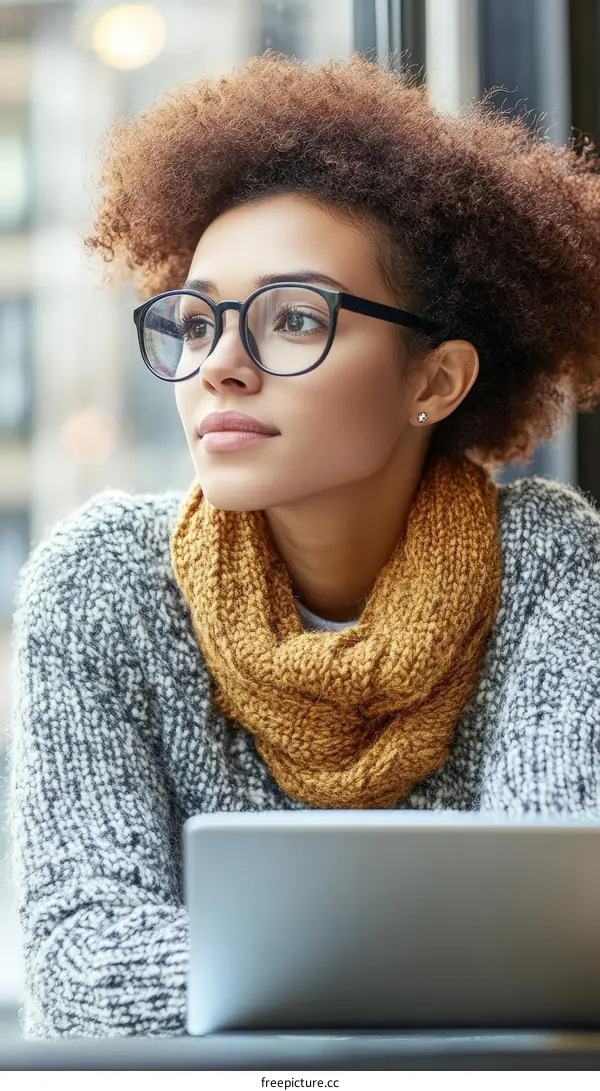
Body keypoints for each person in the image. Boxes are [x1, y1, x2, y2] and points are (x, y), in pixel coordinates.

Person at [7, 51, 600, 1039]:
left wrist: (258, 974)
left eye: (292, 318)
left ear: (438, 379)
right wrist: (428, 968)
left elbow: (557, 943)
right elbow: (79, 958)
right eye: (195, 321)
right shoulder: (103, 580)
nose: (220, 367)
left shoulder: (552, 568)